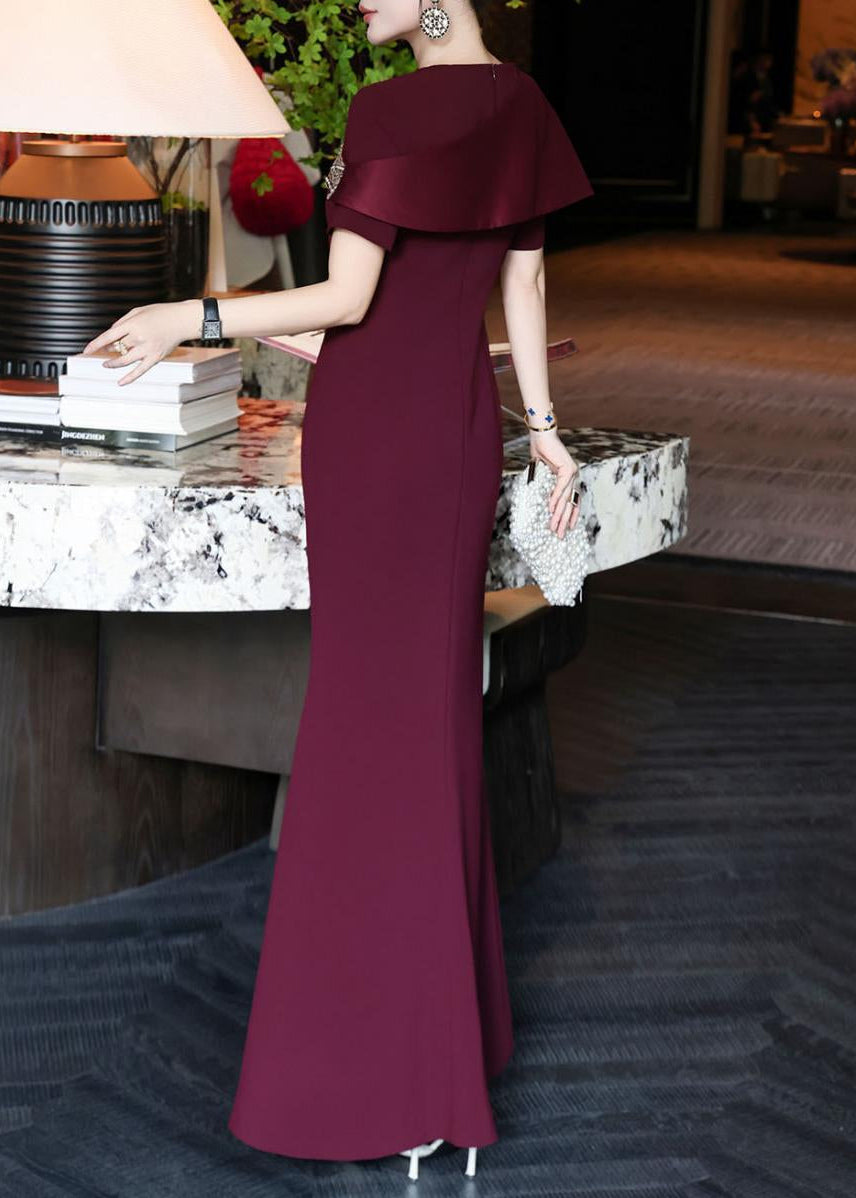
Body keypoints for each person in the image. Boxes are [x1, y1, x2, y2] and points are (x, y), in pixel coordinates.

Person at [80, 0, 592, 1179]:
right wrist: (545, 432)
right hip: (454, 432)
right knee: (425, 731)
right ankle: (442, 1061)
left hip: (375, 439)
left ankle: (394, 1079)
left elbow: (348, 300)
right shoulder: (522, 104)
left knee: (366, 739)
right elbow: (520, 284)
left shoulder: (390, 109)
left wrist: (185, 313)